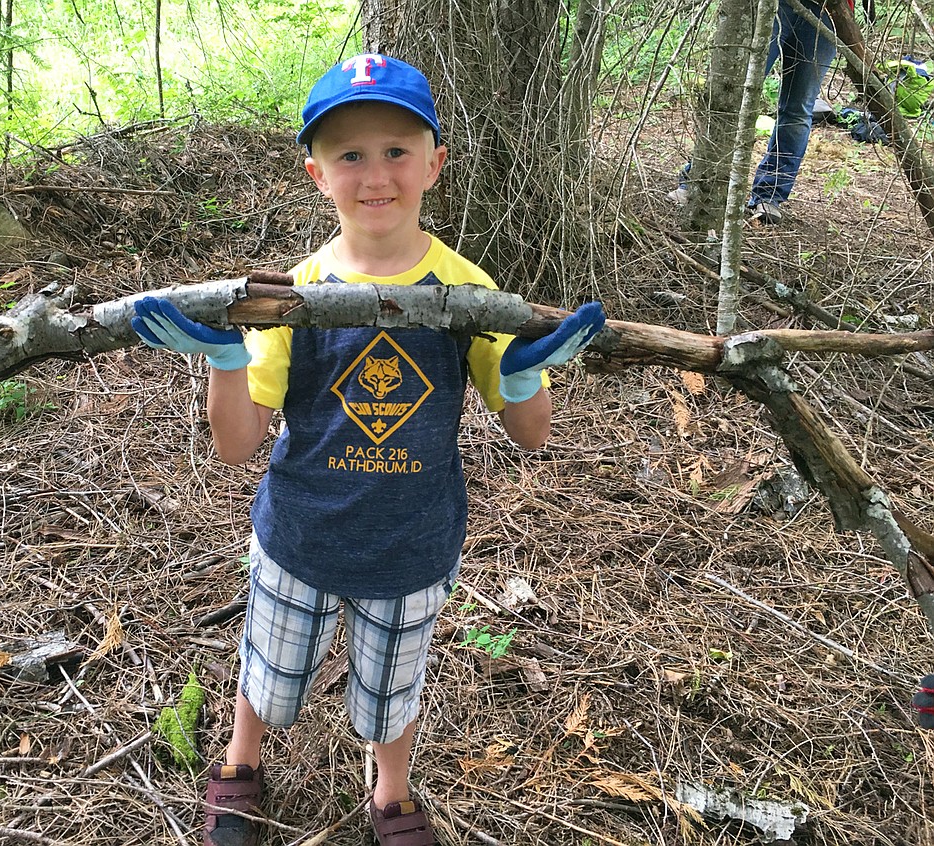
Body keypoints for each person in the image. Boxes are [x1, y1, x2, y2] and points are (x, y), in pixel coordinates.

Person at [131, 54, 605, 846]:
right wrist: (223, 361)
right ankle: (241, 763)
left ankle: (390, 793)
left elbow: (529, 435)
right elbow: (238, 446)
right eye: (349, 154)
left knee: (392, 691)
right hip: (301, 538)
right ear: (317, 172)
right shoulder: (298, 296)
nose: (374, 173)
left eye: (395, 150)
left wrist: (523, 380)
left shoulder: (467, 292)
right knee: (270, 677)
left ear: (435, 164)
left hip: (412, 544)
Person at [672, 0, 839, 224]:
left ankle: (770, 195)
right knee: (735, 94)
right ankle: (698, 183)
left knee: (798, 109)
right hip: (773, 4)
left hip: (830, 10)